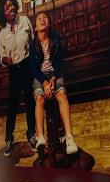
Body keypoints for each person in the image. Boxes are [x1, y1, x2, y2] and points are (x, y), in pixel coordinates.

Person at [30, 10, 78, 155]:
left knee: (61, 95)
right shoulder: (33, 45)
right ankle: (40, 137)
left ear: (49, 23)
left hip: (55, 73)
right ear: (35, 26)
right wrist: (44, 83)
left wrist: (54, 77)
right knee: (39, 99)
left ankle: (69, 137)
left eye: (45, 18)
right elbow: (34, 69)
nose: (42, 19)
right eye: (39, 18)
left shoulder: (56, 39)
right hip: (40, 76)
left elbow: (60, 62)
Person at [0, 0, 36, 157]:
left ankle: (32, 135)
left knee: (29, 102)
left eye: (12, 5)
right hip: (14, 70)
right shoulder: (2, 33)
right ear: (3, 13)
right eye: (6, 7)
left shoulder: (25, 21)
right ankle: (9, 139)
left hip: (27, 66)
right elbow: (0, 55)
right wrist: (5, 59)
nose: (10, 8)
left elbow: (33, 41)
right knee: (12, 106)